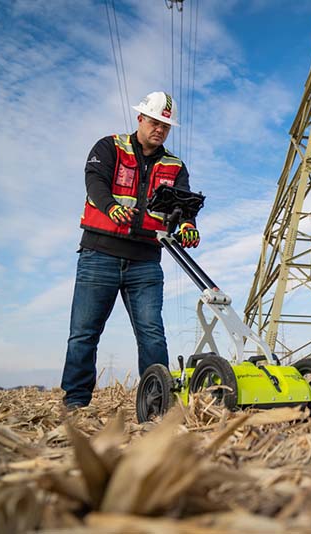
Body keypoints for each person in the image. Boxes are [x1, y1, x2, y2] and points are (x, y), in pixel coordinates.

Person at [61, 91, 200, 409]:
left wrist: (188, 225)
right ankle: (76, 402)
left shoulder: (174, 165)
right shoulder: (109, 147)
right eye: (155, 122)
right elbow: (95, 181)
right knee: (84, 331)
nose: (160, 129)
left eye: (166, 125)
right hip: (100, 254)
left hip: (145, 261)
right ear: (140, 119)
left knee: (152, 334)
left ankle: (158, 402)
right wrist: (110, 207)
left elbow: (182, 204)